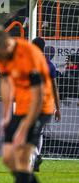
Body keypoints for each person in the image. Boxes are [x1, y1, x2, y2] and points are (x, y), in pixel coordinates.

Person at [0, 25, 59, 183]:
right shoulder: (4, 55)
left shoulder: (30, 56)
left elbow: (38, 97)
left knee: (23, 157)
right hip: (21, 109)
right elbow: (6, 83)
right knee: (9, 159)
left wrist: (24, 128)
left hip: (40, 108)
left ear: (5, 43)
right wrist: (8, 114)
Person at [31, 37, 61, 172]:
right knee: (39, 132)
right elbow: (55, 87)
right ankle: (35, 158)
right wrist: (58, 108)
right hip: (47, 104)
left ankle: (35, 157)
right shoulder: (50, 65)